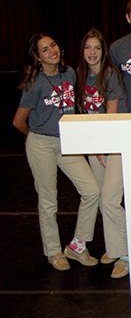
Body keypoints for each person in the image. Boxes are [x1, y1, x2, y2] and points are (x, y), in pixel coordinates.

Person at [13, 33, 101, 271]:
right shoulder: (35, 83)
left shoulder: (70, 74)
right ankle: (53, 251)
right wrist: (37, 135)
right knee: (49, 200)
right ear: (37, 57)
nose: (52, 50)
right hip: (41, 144)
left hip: (68, 143)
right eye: (44, 49)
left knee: (92, 190)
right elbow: (18, 121)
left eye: (53, 44)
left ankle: (77, 245)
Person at [74, 28, 130, 278]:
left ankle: (126, 254)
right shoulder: (80, 75)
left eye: (97, 48)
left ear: (104, 51)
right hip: (95, 146)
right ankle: (114, 246)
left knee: (110, 199)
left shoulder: (110, 75)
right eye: (88, 48)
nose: (92, 52)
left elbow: (111, 115)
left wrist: (105, 147)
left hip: (115, 144)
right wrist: (94, 146)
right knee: (101, 198)